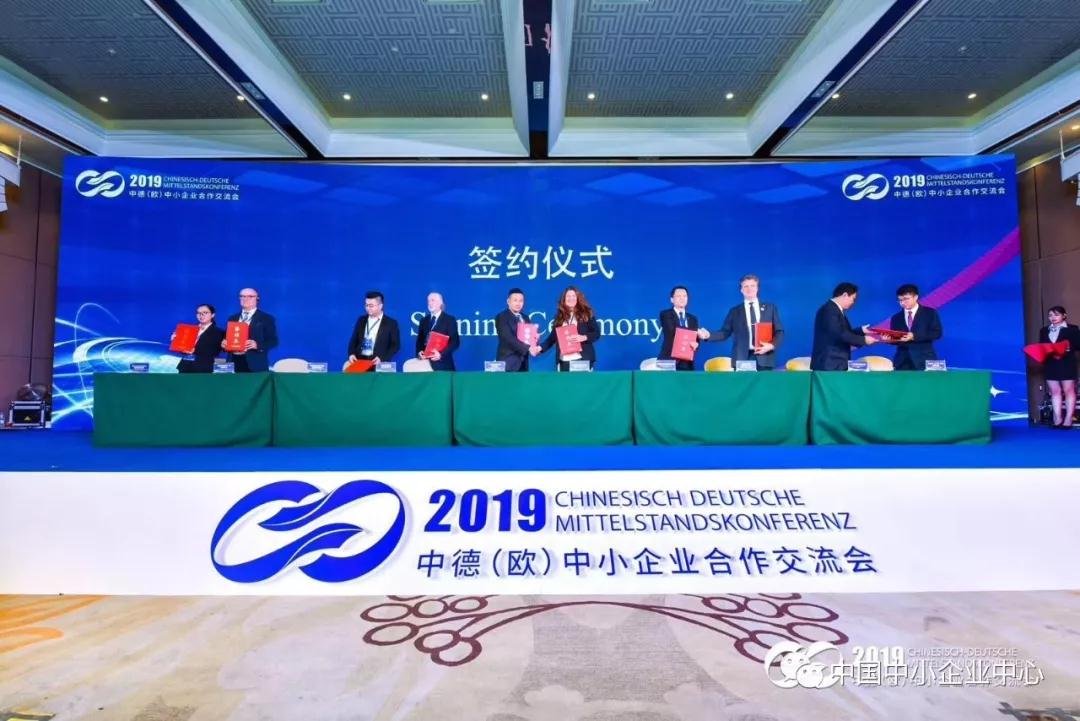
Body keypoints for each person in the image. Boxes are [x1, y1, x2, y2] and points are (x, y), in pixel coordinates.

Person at [697, 274, 784, 370]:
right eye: (746, 286)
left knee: (765, 381)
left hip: (765, 357)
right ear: (741, 290)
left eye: (752, 285)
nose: (749, 289)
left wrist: (771, 345)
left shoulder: (770, 308)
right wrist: (708, 335)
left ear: (757, 288)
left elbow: (779, 331)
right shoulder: (734, 311)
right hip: (742, 358)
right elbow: (724, 333)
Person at [810, 282, 877, 371]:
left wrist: (862, 330)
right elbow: (840, 334)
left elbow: (842, 332)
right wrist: (863, 340)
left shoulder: (834, 310)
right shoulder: (829, 310)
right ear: (845, 295)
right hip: (830, 364)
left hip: (834, 363)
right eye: (853, 299)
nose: (853, 302)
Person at [538, 286, 601, 370]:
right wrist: (539, 348)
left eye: (573, 296)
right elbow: (551, 339)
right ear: (564, 300)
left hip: (581, 360)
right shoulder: (559, 317)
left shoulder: (586, 314)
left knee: (581, 379)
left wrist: (583, 337)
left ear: (578, 298)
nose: (571, 298)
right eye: (568, 296)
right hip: (564, 361)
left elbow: (596, 333)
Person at [1040, 306, 1080, 428]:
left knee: (1069, 391)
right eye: (1050, 315)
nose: (1053, 317)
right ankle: (1057, 418)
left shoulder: (1072, 329)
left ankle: (1068, 418)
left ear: (1064, 316)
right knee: (1054, 391)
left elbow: (1078, 345)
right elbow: (1042, 346)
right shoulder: (1044, 330)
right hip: (1050, 363)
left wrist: (1067, 347)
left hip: (1066, 362)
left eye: (1056, 315)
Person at [223, 288, 278, 372]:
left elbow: (273, 341)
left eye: (250, 296)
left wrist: (257, 345)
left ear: (257, 298)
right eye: (242, 296)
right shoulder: (232, 318)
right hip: (233, 361)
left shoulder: (266, 318)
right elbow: (227, 338)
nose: (245, 299)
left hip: (255, 363)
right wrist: (224, 344)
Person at [889, 284, 943, 370]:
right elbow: (895, 341)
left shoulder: (930, 313)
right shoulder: (896, 317)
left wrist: (914, 336)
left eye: (906, 299)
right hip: (902, 362)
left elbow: (937, 333)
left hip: (924, 359)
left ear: (915, 297)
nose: (902, 303)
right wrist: (888, 339)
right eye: (900, 300)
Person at [348, 290, 401, 366]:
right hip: (360, 360)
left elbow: (395, 345)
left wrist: (382, 358)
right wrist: (351, 353)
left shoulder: (391, 323)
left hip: (378, 362)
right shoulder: (361, 320)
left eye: (371, 306)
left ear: (380, 306)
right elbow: (354, 340)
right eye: (366, 305)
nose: (368, 308)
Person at [494, 287, 539, 372]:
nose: (518, 303)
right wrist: (528, 348)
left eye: (521, 301)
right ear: (508, 301)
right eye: (515, 300)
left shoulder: (525, 318)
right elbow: (508, 338)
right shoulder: (502, 317)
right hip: (508, 363)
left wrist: (535, 339)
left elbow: (529, 338)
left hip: (523, 364)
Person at [415, 291, 460, 371]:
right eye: (428, 301)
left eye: (433, 300)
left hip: (444, 366)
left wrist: (441, 354)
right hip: (425, 367)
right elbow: (419, 341)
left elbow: (455, 342)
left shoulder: (449, 320)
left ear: (440, 303)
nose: (430, 303)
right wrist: (419, 352)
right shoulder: (423, 320)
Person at [658, 285, 699, 370]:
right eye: (678, 296)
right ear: (672, 299)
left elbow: (696, 339)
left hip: (687, 363)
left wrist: (696, 344)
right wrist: (697, 332)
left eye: (685, 296)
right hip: (669, 360)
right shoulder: (665, 314)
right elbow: (673, 331)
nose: (682, 298)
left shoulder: (693, 319)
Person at [176, 303, 224, 373]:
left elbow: (222, 352)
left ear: (213, 315)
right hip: (185, 367)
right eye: (198, 313)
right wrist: (176, 340)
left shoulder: (220, 333)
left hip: (204, 370)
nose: (201, 315)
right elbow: (182, 349)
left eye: (205, 312)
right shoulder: (189, 330)